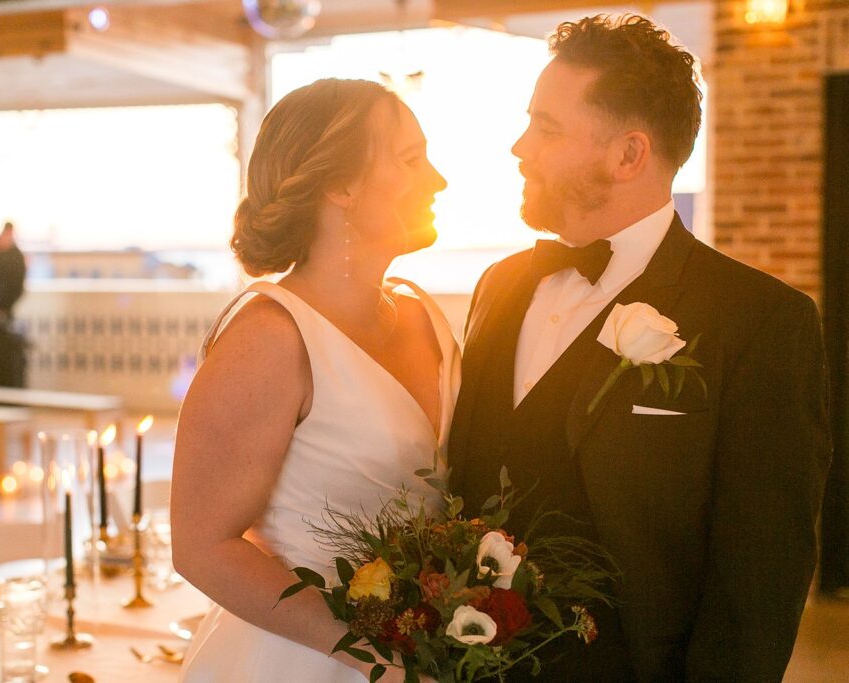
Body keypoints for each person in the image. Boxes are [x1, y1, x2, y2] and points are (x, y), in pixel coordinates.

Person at [448, 15, 831, 682]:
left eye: (548, 127)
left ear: (629, 154)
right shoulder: (500, 284)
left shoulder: (762, 322)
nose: (519, 146)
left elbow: (758, 582)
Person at [172, 78, 458, 682]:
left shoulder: (426, 318)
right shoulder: (269, 338)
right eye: (411, 159)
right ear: (338, 184)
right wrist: (376, 660)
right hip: (304, 660)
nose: (438, 180)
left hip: (433, 652)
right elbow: (202, 546)